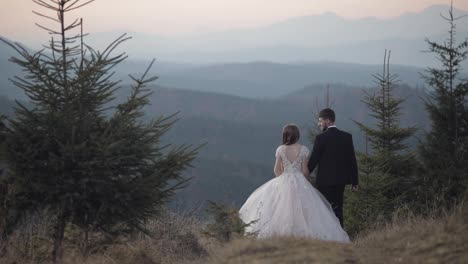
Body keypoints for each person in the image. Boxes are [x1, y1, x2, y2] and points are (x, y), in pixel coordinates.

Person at [239, 124, 349, 242]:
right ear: (297, 135)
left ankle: (280, 236)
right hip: (299, 180)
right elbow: (305, 170)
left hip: (284, 179)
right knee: (304, 209)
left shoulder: (280, 149)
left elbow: (276, 170)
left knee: (278, 208)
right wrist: (306, 180)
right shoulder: (303, 149)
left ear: (285, 135)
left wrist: (282, 178)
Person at [308, 108, 359, 227]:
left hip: (324, 183)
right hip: (340, 181)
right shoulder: (347, 137)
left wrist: (302, 174)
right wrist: (355, 182)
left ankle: (327, 237)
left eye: (320, 121)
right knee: (338, 210)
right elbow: (352, 160)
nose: (318, 124)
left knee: (325, 210)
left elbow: (313, 161)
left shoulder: (320, 138)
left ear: (328, 120)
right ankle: (340, 237)